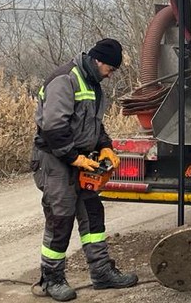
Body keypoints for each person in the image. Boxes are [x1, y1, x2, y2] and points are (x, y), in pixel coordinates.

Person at [31, 38, 138, 301]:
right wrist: (74, 158)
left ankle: (101, 273)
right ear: (97, 60)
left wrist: (105, 146)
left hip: (82, 157)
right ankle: (52, 279)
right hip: (55, 160)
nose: (110, 74)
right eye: (110, 69)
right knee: (60, 218)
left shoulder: (92, 83)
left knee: (92, 214)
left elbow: (93, 124)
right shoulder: (65, 80)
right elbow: (54, 127)